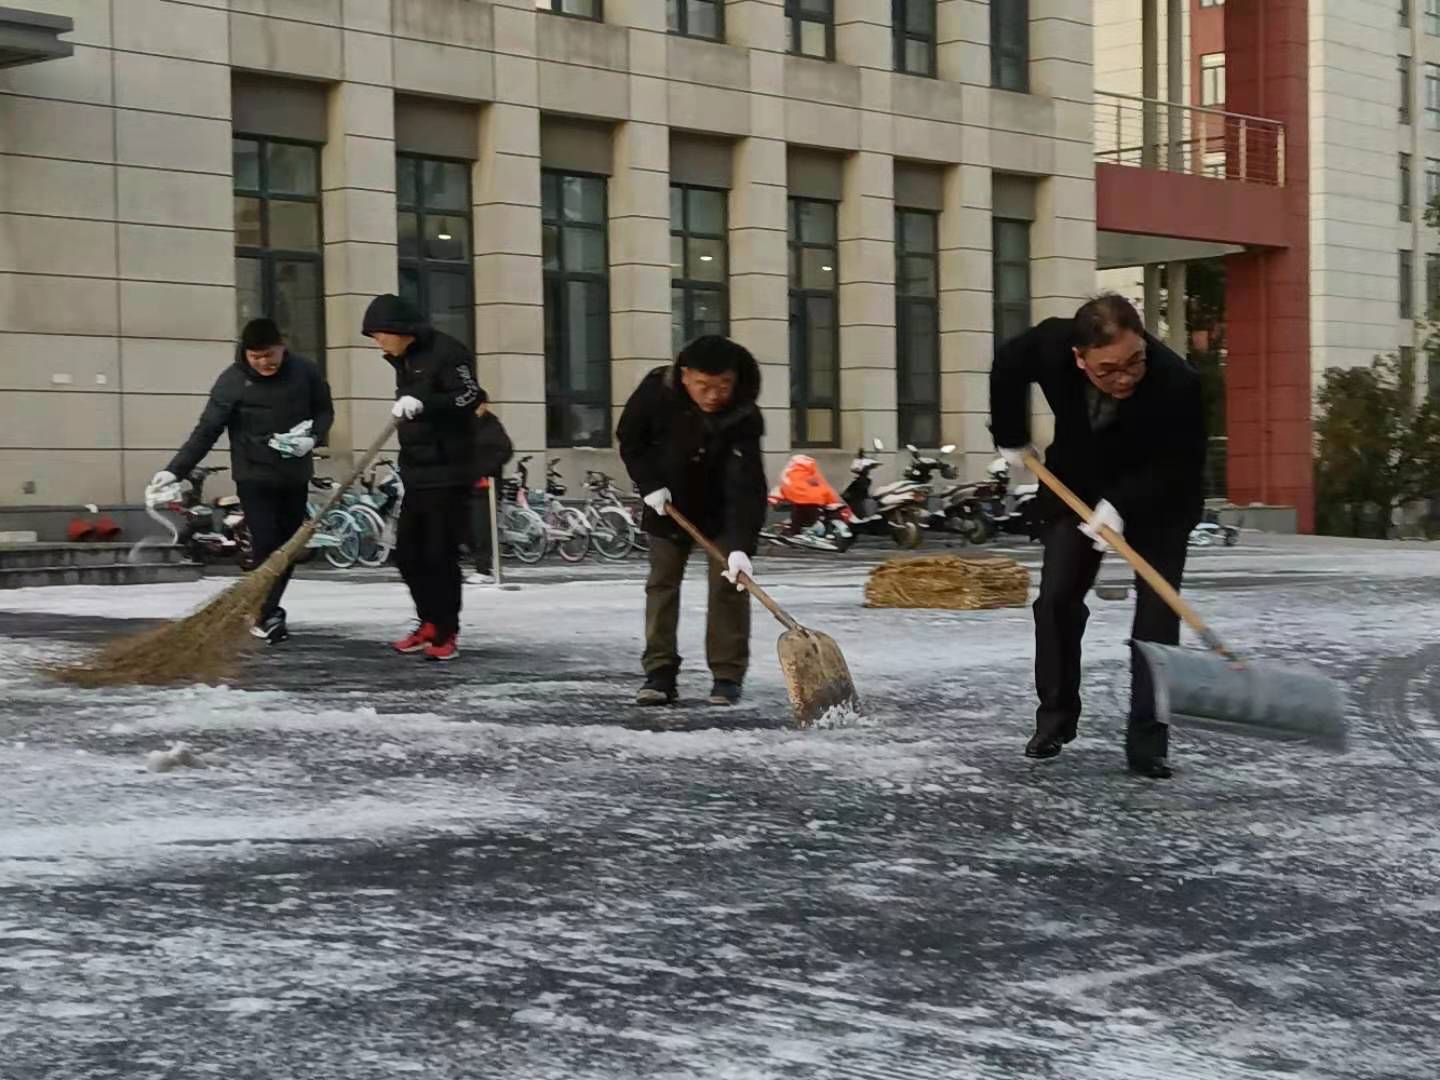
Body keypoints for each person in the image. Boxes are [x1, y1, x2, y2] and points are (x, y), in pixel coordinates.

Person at [989, 294, 1206, 779]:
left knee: (1157, 618)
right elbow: (1007, 363)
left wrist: (1122, 506)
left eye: (1135, 361)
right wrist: (1010, 434)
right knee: (1055, 601)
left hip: (1162, 498)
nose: (1125, 377)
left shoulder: (1178, 383)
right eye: (1108, 370)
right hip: (1078, 485)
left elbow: (1179, 466)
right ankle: (1055, 719)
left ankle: (1148, 743)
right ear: (1079, 358)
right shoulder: (1050, 344)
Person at [150, 318, 333, 645]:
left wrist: (313, 438)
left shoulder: (305, 372)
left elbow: (324, 411)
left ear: (282, 346)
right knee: (265, 543)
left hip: (294, 475)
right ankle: (265, 612)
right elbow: (207, 430)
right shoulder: (232, 381)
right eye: (256, 357)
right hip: (254, 476)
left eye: (269, 355)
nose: (264, 362)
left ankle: (265, 609)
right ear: (245, 353)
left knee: (289, 547)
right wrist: (175, 470)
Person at [617, 335, 769, 707]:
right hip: (667, 504)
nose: (713, 396)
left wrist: (740, 547)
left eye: (723, 386)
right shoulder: (656, 392)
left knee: (730, 585)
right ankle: (660, 672)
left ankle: (727, 676)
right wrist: (650, 485)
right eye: (703, 385)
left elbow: (748, 485)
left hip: (721, 511)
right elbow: (630, 439)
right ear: (685, 376)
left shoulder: (744, 416)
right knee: (662, 584)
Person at [362, 293, 483, 662]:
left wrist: (424, 405)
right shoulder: (405, 359)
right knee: (408, 554)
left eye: (380, 335)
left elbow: (470, 396)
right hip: (417, 470)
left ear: (400, 330)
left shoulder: (448, 352)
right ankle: (428, 620)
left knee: (439, 553)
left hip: (450, 469)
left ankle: (446, 630)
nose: (378, 344)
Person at [467, 392, 513, 585]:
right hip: (465, 482)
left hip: (485, 484)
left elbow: (505, 450)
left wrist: (486, 470)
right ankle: (476, 562)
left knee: (482, 526)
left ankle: (483, 568)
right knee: (466, 525)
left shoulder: (492, 425)